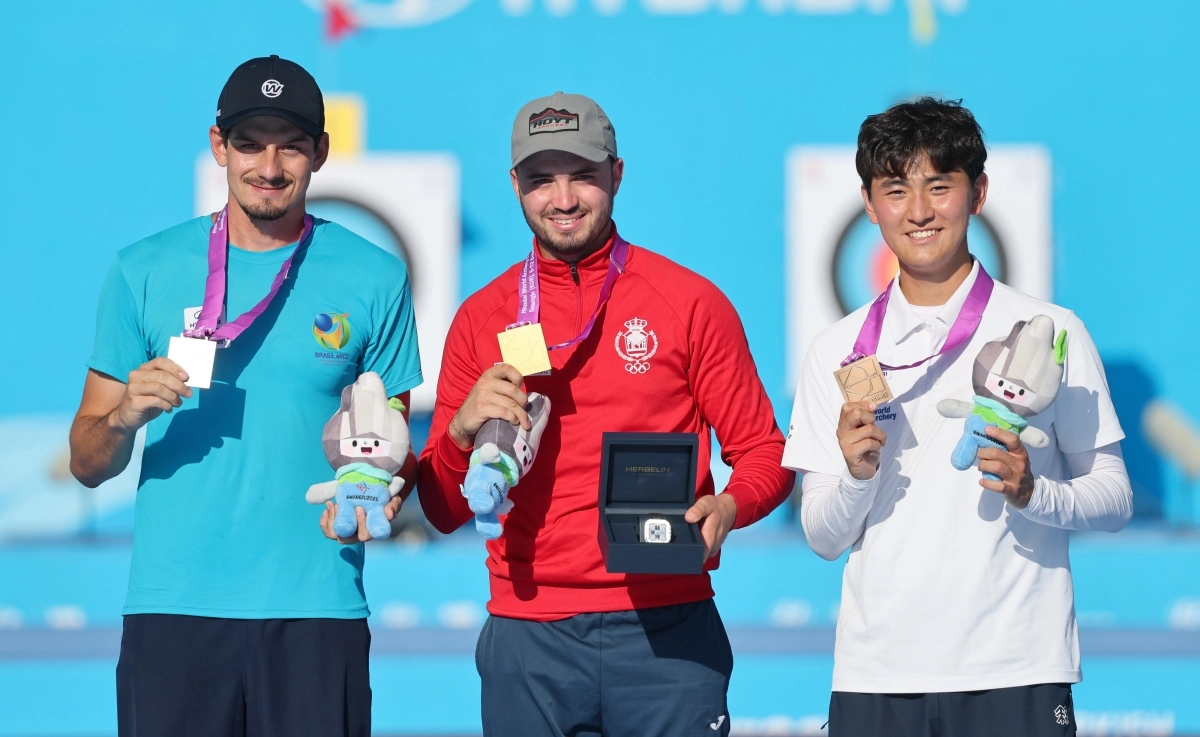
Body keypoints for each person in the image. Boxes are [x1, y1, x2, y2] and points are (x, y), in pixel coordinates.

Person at [417, 92, 795, 737]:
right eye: (541, 180)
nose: (563, 199)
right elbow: (442, 509)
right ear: (515, 186)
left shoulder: (689, 302)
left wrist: (729, 509)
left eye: (583, 176)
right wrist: (455, 433)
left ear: (617, 175)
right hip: (529, 635)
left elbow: (764, 451)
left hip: (668, 629)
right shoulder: (482, 316)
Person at [68, 55, 422, 737]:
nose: (269, 164)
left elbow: (392, 443)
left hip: (317, 609)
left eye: (291, 144)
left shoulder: (374, 276)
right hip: (174, 611)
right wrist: (123, 415)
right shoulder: (142, 268)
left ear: (320, 152)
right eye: (250, 142)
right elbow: (87, 462)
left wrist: (383, 482)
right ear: (218, 146)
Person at [783, 97, 1132, 737]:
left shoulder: (1049, 333)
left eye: (939, 186)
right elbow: (823, 537)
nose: (918, 212)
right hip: (878, 675)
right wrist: (859, 477)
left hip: (1017, 667)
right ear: (868, 203)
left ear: (978, 194)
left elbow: (1113, 496)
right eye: (896, 190)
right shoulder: (840, 349)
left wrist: (1035, 493)